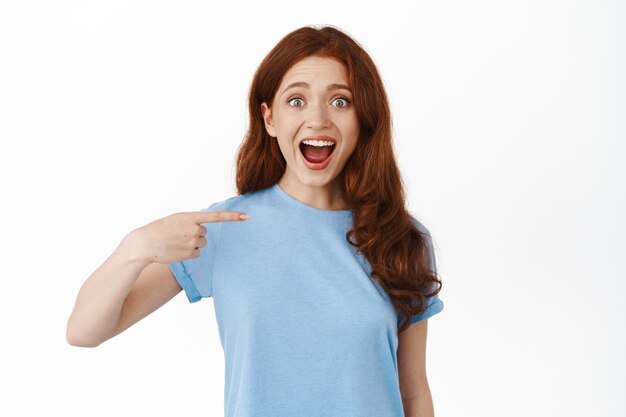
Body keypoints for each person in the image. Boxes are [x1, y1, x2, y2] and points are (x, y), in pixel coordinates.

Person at [67, 24, 444, 417]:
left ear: (363, 118)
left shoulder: (403, 238)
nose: (317, 120)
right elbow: (83, 331)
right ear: (269, 119)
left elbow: (414, 393)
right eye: (296, 101)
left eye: (340, 101)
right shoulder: (225, 229)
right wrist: (134, 249)